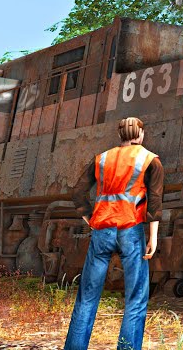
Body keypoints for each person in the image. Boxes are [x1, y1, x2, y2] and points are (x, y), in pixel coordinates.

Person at [64, 117, 162, 350]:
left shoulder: (101, 159)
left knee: (87, 298)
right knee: (135, 300)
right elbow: (155, 204)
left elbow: (78, 192)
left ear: (121, 136)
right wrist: (153, 237)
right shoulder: (150, 160)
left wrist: (90, 219)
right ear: (141, 135)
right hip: (130, 230)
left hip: (102, 231)